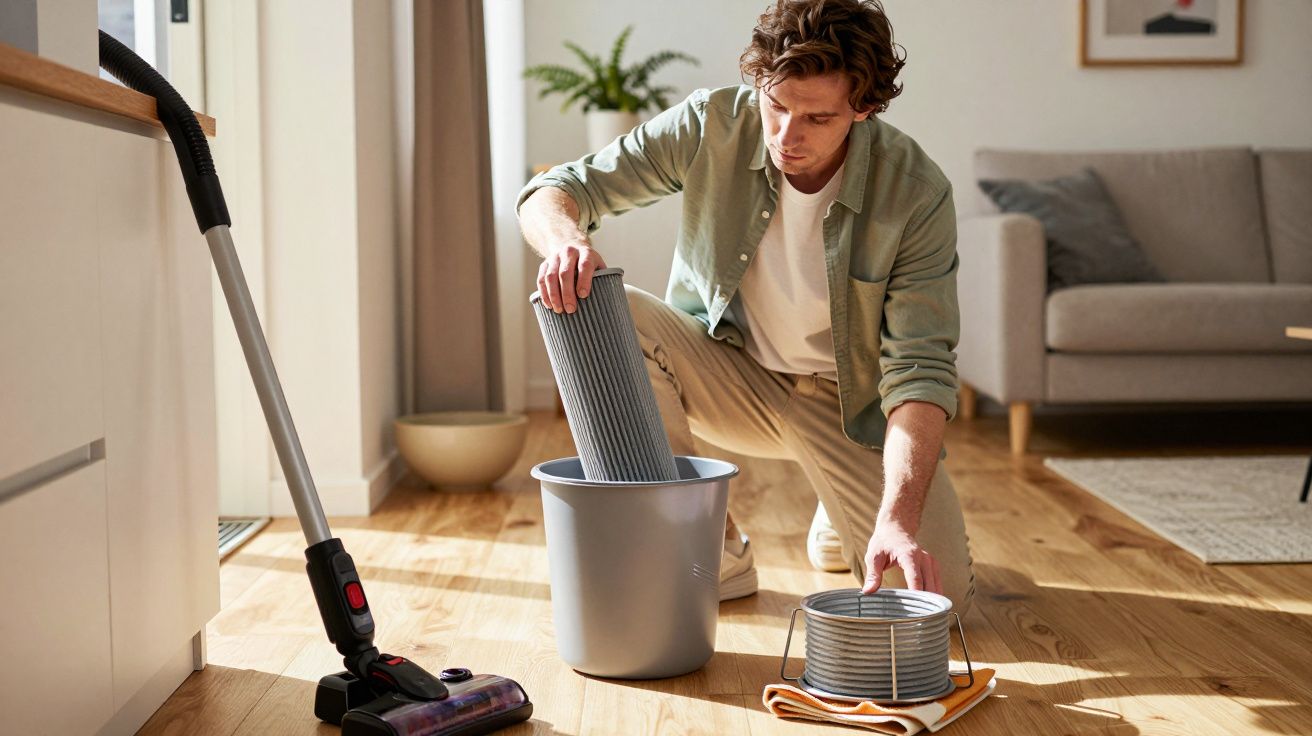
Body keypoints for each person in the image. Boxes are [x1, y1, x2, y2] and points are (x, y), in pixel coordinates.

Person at [516, 0, 974, 614]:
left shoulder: (916, 193)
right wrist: (566, 242)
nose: (787, 135)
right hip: (729, 375)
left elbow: (919, 371)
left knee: (935, 608)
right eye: (777, 105)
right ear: (759, 81)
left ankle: (843, 507)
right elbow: (557, 189)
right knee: (601, 306)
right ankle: (711, 545)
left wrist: (898, 516)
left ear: (864, 109)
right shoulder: (711, 124)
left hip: (850, 407)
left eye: (817, 117)